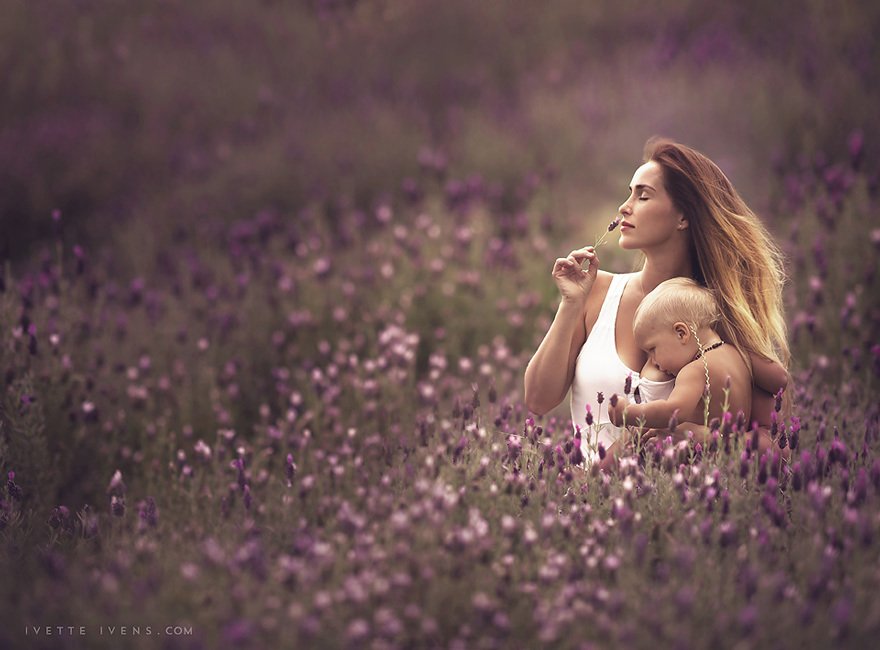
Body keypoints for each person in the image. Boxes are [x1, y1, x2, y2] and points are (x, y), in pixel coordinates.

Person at [524, 137, 790, 466]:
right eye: (629, 192)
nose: (625, 206)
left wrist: (701, 437)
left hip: (679, 509)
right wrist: (570, 304)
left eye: (643, 195)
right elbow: (537, 399)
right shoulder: (595, 292)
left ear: (682, 218)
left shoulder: (713, 316)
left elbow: (776, 444)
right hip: (586, 502)